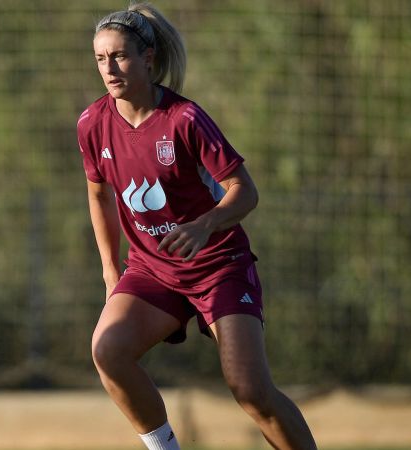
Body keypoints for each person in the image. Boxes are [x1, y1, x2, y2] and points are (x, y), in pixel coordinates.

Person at [76, 3, 318, 450]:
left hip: (217, 265)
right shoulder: (92, 124)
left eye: (120, 56)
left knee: (251, 392)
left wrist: (205, 226)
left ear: (148, 58)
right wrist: (111, 271)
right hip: (151, 271)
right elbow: (98, 195)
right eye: (100, 59)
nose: (109, 68)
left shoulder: (184, 120)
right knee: (108, 350)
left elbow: (244, 191)